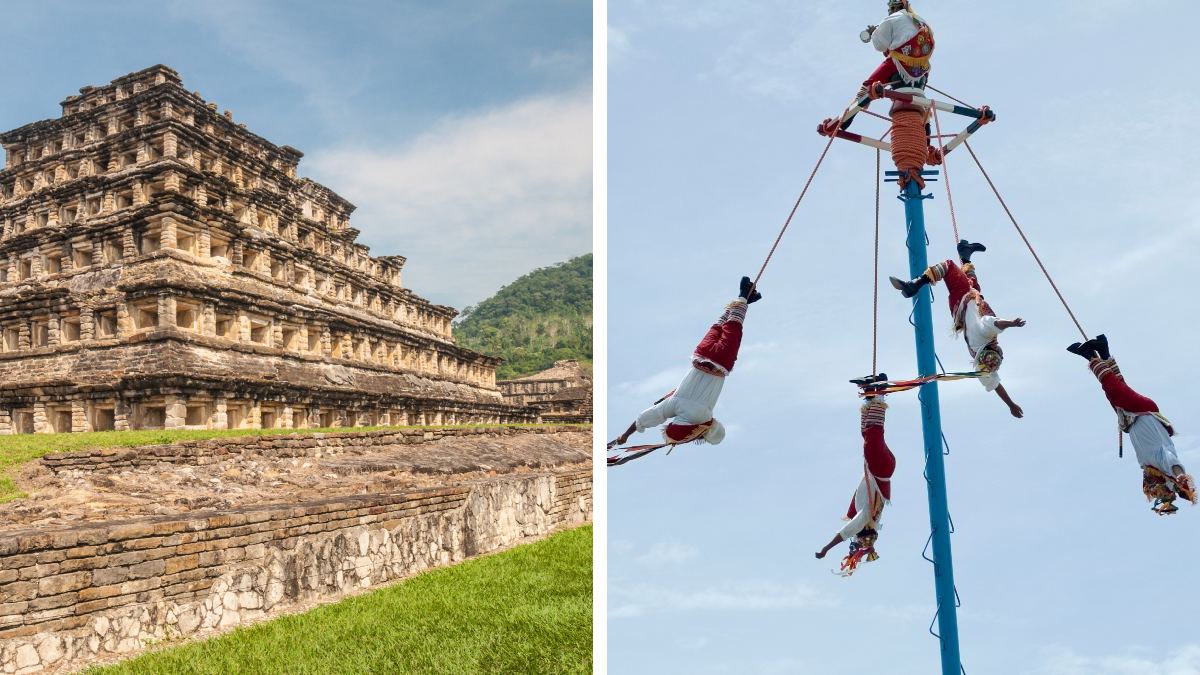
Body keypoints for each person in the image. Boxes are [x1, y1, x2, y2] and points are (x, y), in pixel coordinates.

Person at [608, 276, 761, 451]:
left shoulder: (704, 418)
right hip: (700, 356)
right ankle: (743, 298)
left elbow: (711, 432)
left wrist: (628, 436)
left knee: (731, 326)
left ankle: (743, 297)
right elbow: (642, 419)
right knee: (719, 325)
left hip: (719, 362)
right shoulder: (671, 406)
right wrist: (625, 436)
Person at [889, 239, 1026, 418]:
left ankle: (914, 285)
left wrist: (1012, 323)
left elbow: (997, 323)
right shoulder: (980, 364)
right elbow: (995, 385)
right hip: (963, 305)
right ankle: (965, 253)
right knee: (974, 284)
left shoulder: (985, 334)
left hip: (963, 297)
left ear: (995, 351)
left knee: (948, 266)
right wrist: (1011, 404)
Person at [1067, 334, 1197, 515]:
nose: (1150, 485)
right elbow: (1175, 466)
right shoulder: (1164, 463)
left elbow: (1157, 486)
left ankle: (1103, 351)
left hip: (1131, 418)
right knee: (1113, 388)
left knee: (1115, 389)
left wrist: (1167, 501)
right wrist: (1180, 479)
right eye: (1155, 488)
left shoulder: (1146, 465)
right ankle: (1090, 355)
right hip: (1143, 411)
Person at [815, 375, 894, 576]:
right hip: (880, 469)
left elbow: (856, 534)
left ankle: (869, 393)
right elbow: (845, 532)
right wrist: (826, 548)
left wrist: (868, 548)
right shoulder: (866, 519)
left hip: (879, 468)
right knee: (872, 437)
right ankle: (880, 391)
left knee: (868, 435)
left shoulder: (870, 520)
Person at [825, 0, 935, 133]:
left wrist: (874, 34)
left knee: (868, 86)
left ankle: (846, 119)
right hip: (922, 69)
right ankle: (927, 136)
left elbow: (881, 45)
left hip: (898, 64)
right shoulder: (920, 20)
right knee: (920, 98)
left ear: (893, 8)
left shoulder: (892, 18)